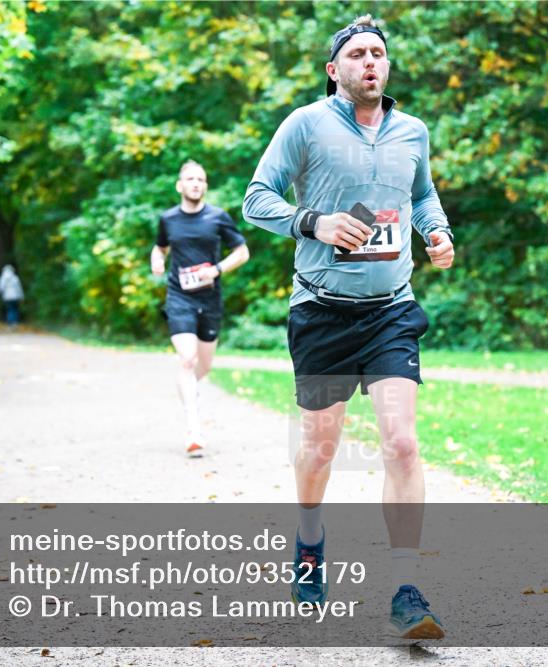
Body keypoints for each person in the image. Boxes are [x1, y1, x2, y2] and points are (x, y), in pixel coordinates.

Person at [242, 15, 454, 640]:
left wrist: (435, 231)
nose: (370, 62)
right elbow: (257, 198)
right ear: (335, 69)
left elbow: (422, 195)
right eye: (357, 54)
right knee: (320, 449)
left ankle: (406, 588)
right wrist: (316, 223)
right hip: (321, 309)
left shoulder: (413, 130)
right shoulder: (304, 125)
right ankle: (309, 542)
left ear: (387, 67)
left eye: (378, 54)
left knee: (402, 442)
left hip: (390, 309)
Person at [151, 160, 250, 457]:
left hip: (209, 298)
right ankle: (193, 426)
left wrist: (217, 269)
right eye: (191, 179)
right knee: (187, 359)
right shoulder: (168, 219)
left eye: (201, 180)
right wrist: (156, 259)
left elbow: (242, 252)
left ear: (205, 186)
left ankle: (188, 389)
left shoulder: (217, 217)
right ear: (180, 186)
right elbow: (160, 247)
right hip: (179, 296)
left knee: (203, 366)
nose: (196, 183)